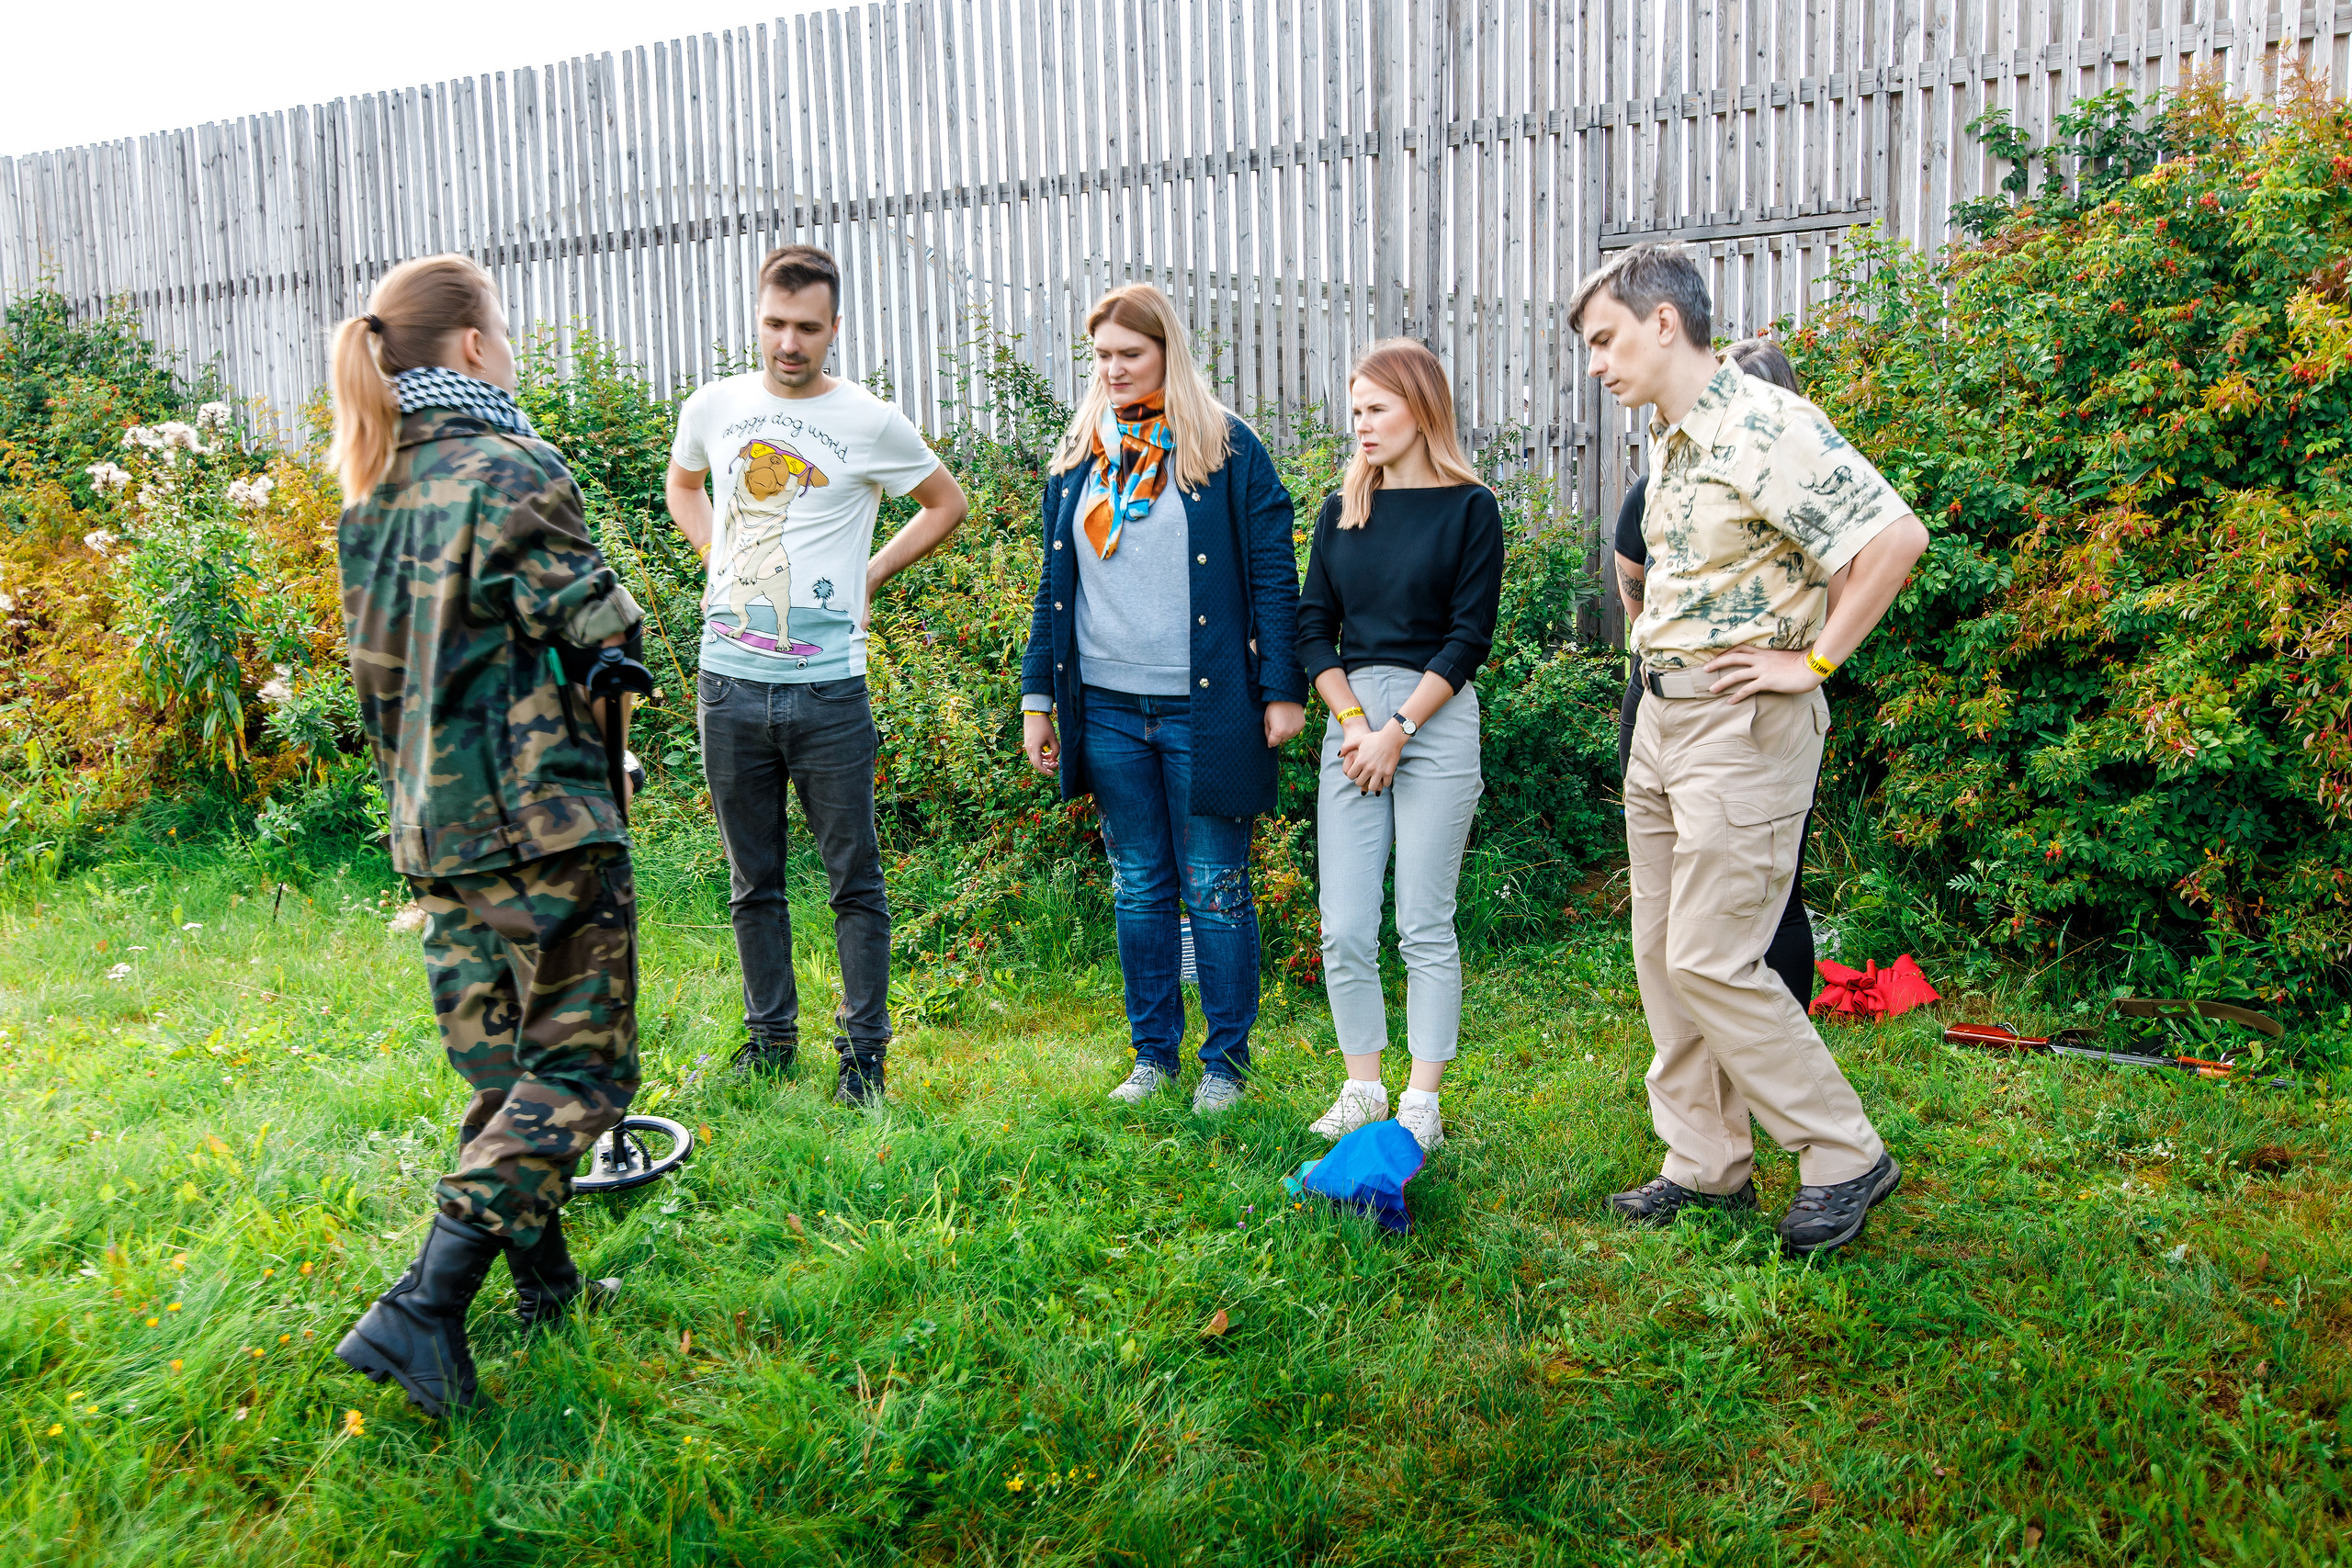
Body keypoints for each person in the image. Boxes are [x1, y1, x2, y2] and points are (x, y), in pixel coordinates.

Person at [329, 254, 646, 1416]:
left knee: (503, 1066)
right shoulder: (511, 465)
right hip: (538, 818)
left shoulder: (371, 483)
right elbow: (601, 619)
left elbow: (378, 679)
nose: (506, 345)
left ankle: (547, 1286)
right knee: (581, 1066)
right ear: (470, 346)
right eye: (500, 329)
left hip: (432, 825)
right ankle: (421, 1309)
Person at [1574, 243, 1930, 1255]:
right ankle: (1706, 1161)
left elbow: (1890, 541)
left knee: (1713, 956)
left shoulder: (1768, 422)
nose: (1596, 363)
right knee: (1661, 956)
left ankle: (1842, 1153)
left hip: (1742, 727)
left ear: (1662, 322)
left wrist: (1813, 663)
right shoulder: (1672, 434)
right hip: (1662, 716)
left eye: (1605, 340)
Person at [664, 244, 968, 1107]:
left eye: (806, 328)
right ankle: (769, 1040)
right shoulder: (714, 405)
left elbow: (947, 503)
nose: (788, 343)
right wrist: (716, 552)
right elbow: (684, 485)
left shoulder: (871, 420)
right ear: (756, 319)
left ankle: (863, 1056)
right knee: (750, 878)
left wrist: (871, 573)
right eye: (774, 324)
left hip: (829, 688)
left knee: (853, 879)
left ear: (835, 328)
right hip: (725, 681)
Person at [1019, 283, 1306, 1114]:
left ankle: (1226, 1063)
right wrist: (1039, 697)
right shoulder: (1080, 455)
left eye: (1129, 355)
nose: (1112, 370)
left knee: (1216, 884)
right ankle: (1153, 1058)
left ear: (1167, 353)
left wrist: (1280, 689)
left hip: (1205, 710)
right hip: (1105, 708)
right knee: (1139, 883)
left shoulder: (1226, 449)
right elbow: (1054, 589)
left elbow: (1274, 579)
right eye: (1102, 356)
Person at [1295, 339, 1504, 1153]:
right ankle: (1361, 1084)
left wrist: (1400, 729)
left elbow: (1468, 635)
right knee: (1344, 921)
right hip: (1353, 720)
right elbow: (1313, 628)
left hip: (1436, 715)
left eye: (1375, 408)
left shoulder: (1470, 507)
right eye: (1355, 411)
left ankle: (1421, 1098)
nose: (1362, 426)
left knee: (1423, 919)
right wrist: (1355, 725)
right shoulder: (1342, 510)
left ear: (1421, 409)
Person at [1613, 336, 1822, 1007]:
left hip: (1758, 710)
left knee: (1773, 896)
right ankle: (1703, 1074)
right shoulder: (1659, 486)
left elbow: (1869, 560)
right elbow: (1636, 590)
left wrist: (1807, 662)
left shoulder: (1804, 479)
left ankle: (1771, 1062)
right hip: (1659, 703)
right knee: (1672, 902)